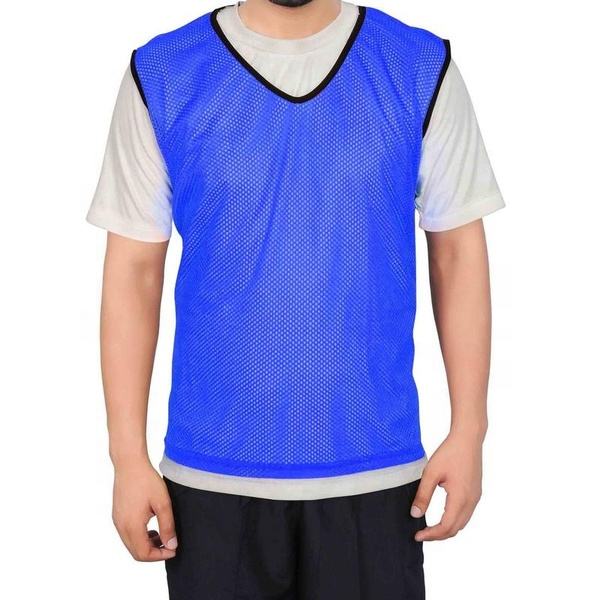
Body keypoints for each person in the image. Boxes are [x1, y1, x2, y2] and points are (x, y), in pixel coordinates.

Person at [87, 0, 504, 598]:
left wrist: (470, 430)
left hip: (376, 475)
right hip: (211, 482)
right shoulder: (164, 74)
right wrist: (127, 456)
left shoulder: (417, 67)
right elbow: (134, 273)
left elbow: (458, 253)